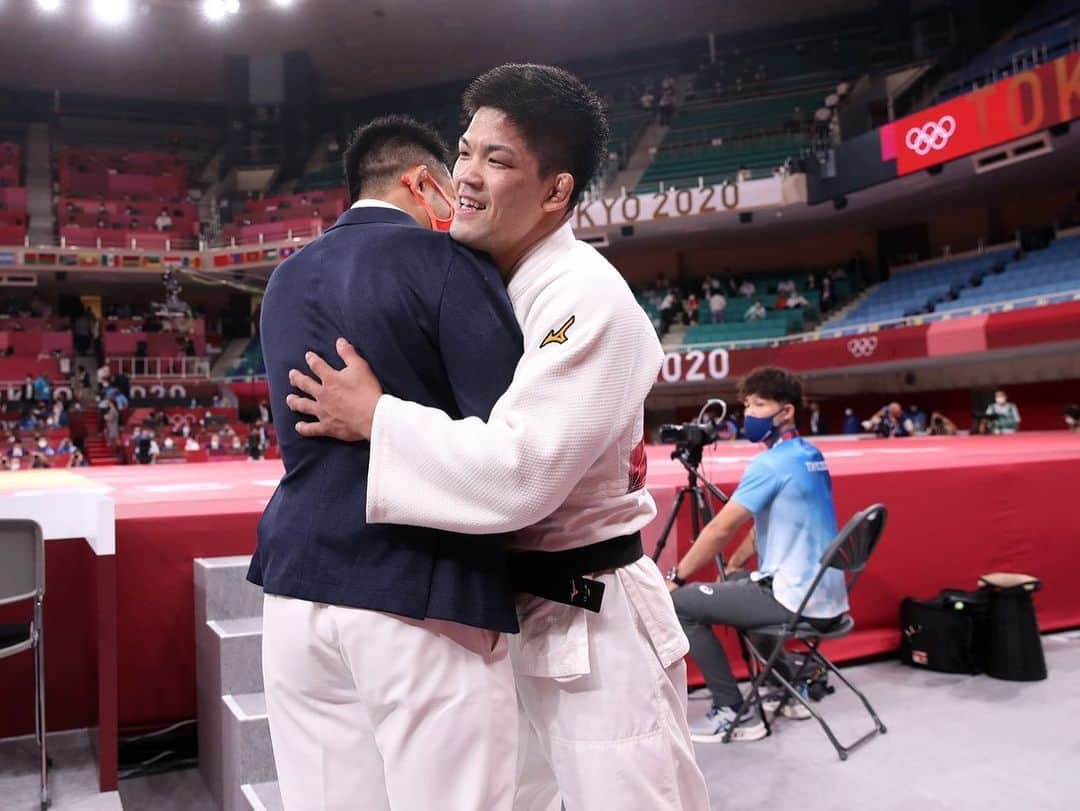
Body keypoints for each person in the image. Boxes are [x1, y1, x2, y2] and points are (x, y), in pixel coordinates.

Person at [286, 64, 709, 811]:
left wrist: (376, 416)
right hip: (500, 612)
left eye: (498, 159)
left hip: (593, 615)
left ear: (556, 192)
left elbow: (521, 470)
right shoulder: (478, 278)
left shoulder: (587, 295)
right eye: (465, 151)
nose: (468, 177)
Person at [247, 115, 524, 811]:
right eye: (453, 186)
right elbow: (509, 439)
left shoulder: (283, 281)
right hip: (420, 588)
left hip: (295, 588)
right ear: (421, 180)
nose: (459, 204)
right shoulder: (448, 262)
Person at [669, 367, 847, 741]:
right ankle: (786, 686)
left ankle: (734, 711)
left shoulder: (770, 463)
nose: (750, 414)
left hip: (795, 598)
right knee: (736, 583)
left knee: (680, 606)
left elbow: (720, 529)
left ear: (786, 412)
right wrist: (734, 567)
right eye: (747, 405)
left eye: (760, 405)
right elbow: (765, 524)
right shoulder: (810, 455)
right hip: (827, 597)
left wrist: (678, 578)